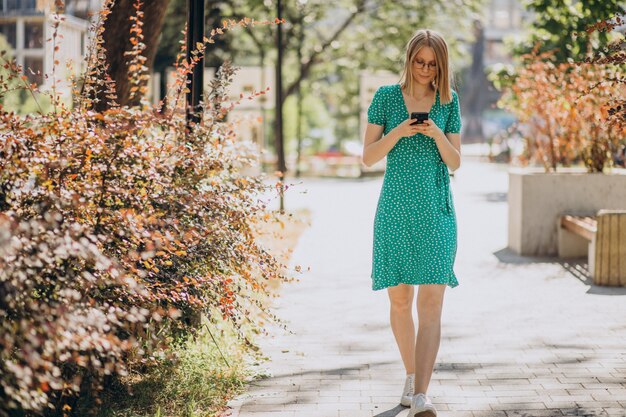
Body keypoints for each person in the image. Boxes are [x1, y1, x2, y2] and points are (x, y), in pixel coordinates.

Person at [361, 29, 462, 417]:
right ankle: (409, 376)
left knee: (432, 303)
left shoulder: (449, 101)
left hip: (436, 210)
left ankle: (422, 394)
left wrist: (436, 131)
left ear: (441, 65)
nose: (424, 69)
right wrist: (400, 130)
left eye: (432, 64)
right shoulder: (386, 97)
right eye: (419, 62)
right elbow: (368, 156)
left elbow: (455, 163)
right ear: (408, 60)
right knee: (400, 299)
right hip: (396, 210)